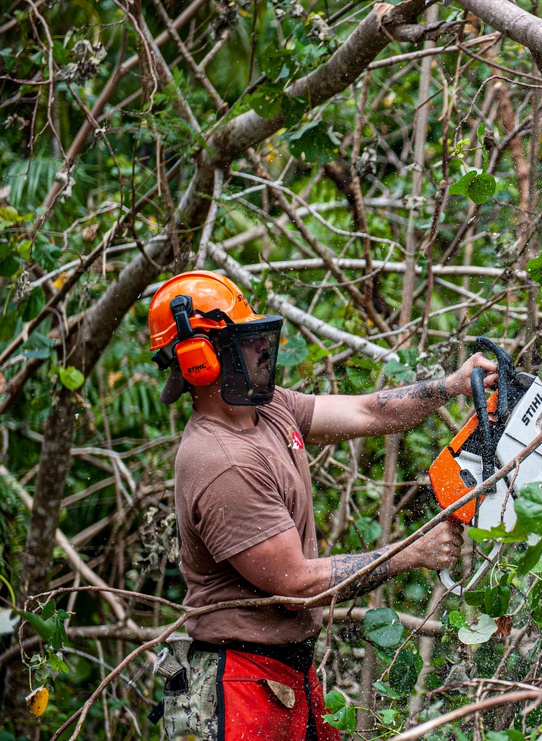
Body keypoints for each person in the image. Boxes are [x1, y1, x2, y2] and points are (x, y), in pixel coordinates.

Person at [146, 270, 497, 740]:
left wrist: (451, 386)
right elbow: (297, 584)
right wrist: (412, 552)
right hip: (240, 685)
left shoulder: (266, 408)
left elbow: (367, 411)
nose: (262, 350)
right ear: (201, 360)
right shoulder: (222, 462)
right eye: (246, 341)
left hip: (286, 674)